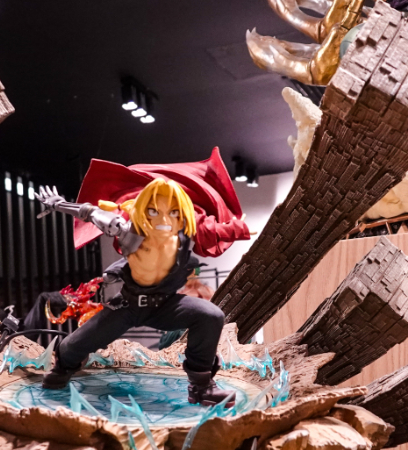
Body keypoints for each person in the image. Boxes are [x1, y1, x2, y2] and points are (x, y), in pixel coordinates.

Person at [35, 150, 250, 406]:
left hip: (165, 304)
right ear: (142, 212)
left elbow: (217, 230)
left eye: (172, 213)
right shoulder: (127, 231)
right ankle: (64, 367)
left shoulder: (186, 236)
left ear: (182, 215)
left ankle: (201, 386)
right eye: (154, 212)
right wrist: (58, 204)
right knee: (72, 348)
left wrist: (239, 227)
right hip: (128, 305)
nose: (163, 220)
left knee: (211, 315)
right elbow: (90, 212)